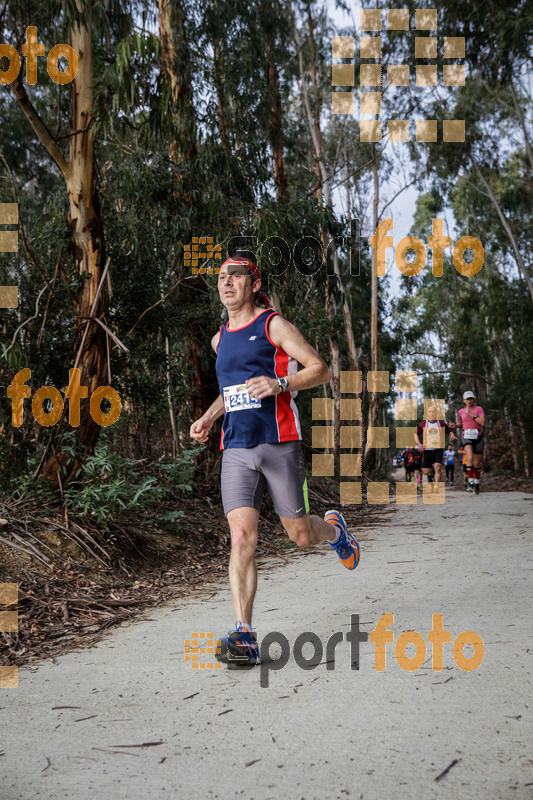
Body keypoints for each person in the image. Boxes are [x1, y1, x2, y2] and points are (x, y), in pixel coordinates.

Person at [189, 256, 360, 666]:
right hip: (236, 448)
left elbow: (321, 370)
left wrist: (279, 382)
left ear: (253, 283)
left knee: (300, 536)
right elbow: (231, 391)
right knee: (242, 538)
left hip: (280, 442)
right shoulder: (219, 339)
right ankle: (244, 633)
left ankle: (335, 531)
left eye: (235, 276)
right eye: (221, 278)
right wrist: (209, 417)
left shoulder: (273, 325)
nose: (226, 283)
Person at [415, 405, 456, 491]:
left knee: (437, 467)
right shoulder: (423, 424)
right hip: (427, 450)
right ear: (427, 413)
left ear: (436, 413)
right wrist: (419, 443)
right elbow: (416, 434)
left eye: (434, 411)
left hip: (438, 449)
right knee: (426, 471)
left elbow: (449, 431)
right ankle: (431, 475)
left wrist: (452, 434)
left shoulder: (441, 423)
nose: (432, 413)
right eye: (430, 412)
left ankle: (436, 487)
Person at [454, 391, 485, 495]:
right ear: (464, 401)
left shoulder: (478, 409)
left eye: (471, 399)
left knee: (477, 463)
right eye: (467, 399)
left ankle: (477, 483)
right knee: (469, 457)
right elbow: (461, 424)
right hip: (466, 436)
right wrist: (455, 425)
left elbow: (482, 422)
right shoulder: (460, 411)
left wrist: (472, 415)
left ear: (474, 399)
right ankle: (470, 481)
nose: (469, 401)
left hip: (478, 436)